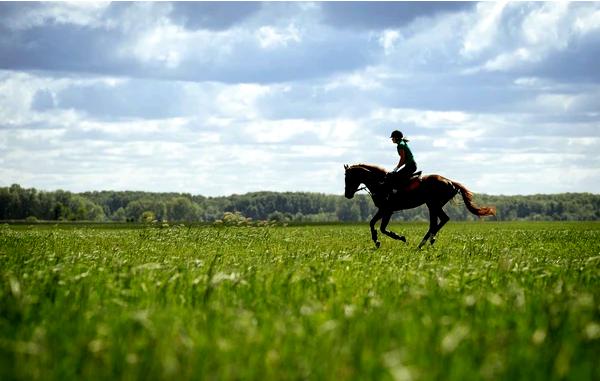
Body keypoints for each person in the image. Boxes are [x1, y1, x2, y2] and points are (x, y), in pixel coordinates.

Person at [383, 130, 418, 196]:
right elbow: (404, 160)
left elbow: (402, 159)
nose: (392, 139)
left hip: (410, 166)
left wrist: (396, 169)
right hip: (410, 166)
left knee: (395, 177)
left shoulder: (400, 145)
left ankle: (398, 193)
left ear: (396, 138)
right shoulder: (401, 143)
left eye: (392, 138)